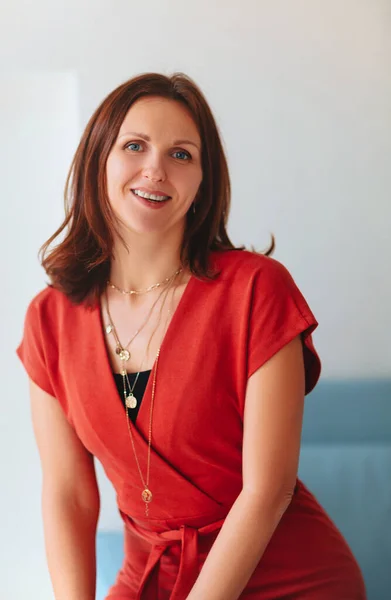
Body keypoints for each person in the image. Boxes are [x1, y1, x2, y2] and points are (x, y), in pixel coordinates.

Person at [17, 72, 366, 600]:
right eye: (134, 146)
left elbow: (267, 492)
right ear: (98, 162)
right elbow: (69, 496)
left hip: (287, 576)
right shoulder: (48, 320)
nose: (155, 168)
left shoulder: (257, 290)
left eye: (181, 154)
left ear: (203, 182)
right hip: (151, 579)